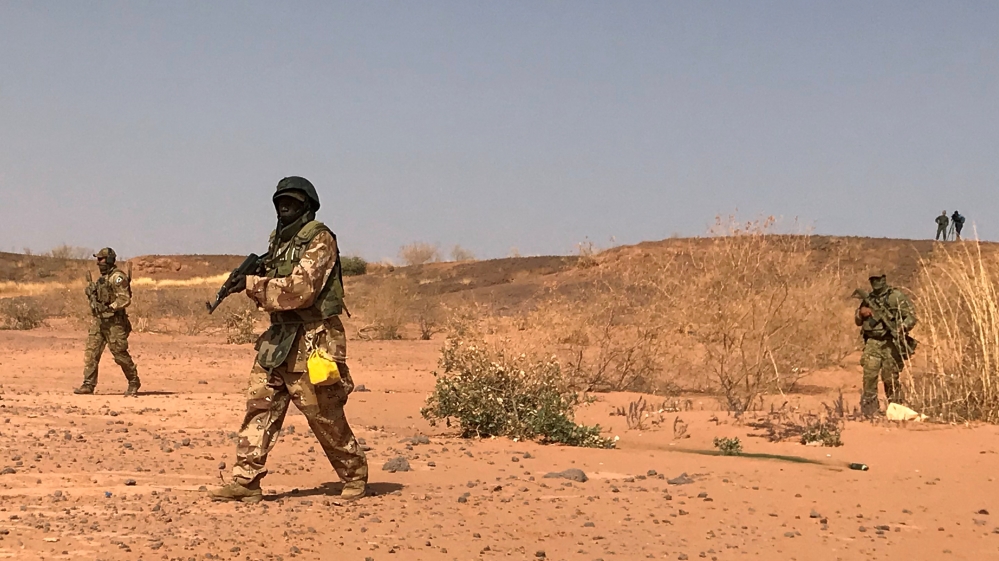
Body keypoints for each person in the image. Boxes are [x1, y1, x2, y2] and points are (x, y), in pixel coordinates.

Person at [209, 176, 368, 503]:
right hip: (279, 337)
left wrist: (252, 285)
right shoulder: (279, 241)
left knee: (322, 412)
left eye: (292, 203)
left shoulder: (321, 239)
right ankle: (246, 480)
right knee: (260, 405)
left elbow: (301, 290)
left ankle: (354, 473)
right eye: (280, 202)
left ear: (307, 206)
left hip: (313, 339)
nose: (285, 208)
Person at [74, 248, 141, 396]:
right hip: (99, 322)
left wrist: (110, 307)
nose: (98, 263)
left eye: (101, 259)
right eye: (98, 260)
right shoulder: (102, 279)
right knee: (91, 353)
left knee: (119, 354)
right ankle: (88, 384)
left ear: (109, 260)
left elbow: (125, 298)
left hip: (114, 323)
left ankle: (133, 381)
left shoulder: (117, 278)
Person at [854, 274, 917, 417]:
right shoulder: (868, 299)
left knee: (890, 378)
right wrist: (861, 313)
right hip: (872, 342)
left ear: (883, 279)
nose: (875, 282)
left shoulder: (896, 297)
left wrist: (901, 327)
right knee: (869, 376)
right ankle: (870, 412)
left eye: (878, 279)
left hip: (890, 343)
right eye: (872, 280)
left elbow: (911, 316)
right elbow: (858, 321)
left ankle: (897, 410)